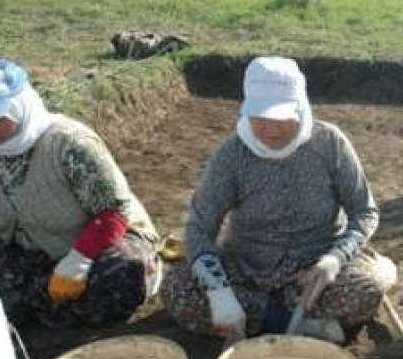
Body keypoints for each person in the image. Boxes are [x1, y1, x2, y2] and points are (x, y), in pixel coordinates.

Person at [160, 56, 387, 343]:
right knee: (177, 288)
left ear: (301, 108)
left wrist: (334, 260)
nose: (272, 129)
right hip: (247, 270)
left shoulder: (329, 144)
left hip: (313, 275)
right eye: (261, 119)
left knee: (368, 286)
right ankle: (301, 325)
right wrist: (219, 294)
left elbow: (365, 212)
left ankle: (261, 321)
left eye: (282, 118)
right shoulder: (233, 154)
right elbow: (198, 228)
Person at [0, 58, 160, 327]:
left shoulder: (70, 144)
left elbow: (113, 212)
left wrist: (80, 260)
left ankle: (30, 304)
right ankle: (45, 301)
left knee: (122, 271)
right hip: (28, 254)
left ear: (19, 107)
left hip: (96, 245)